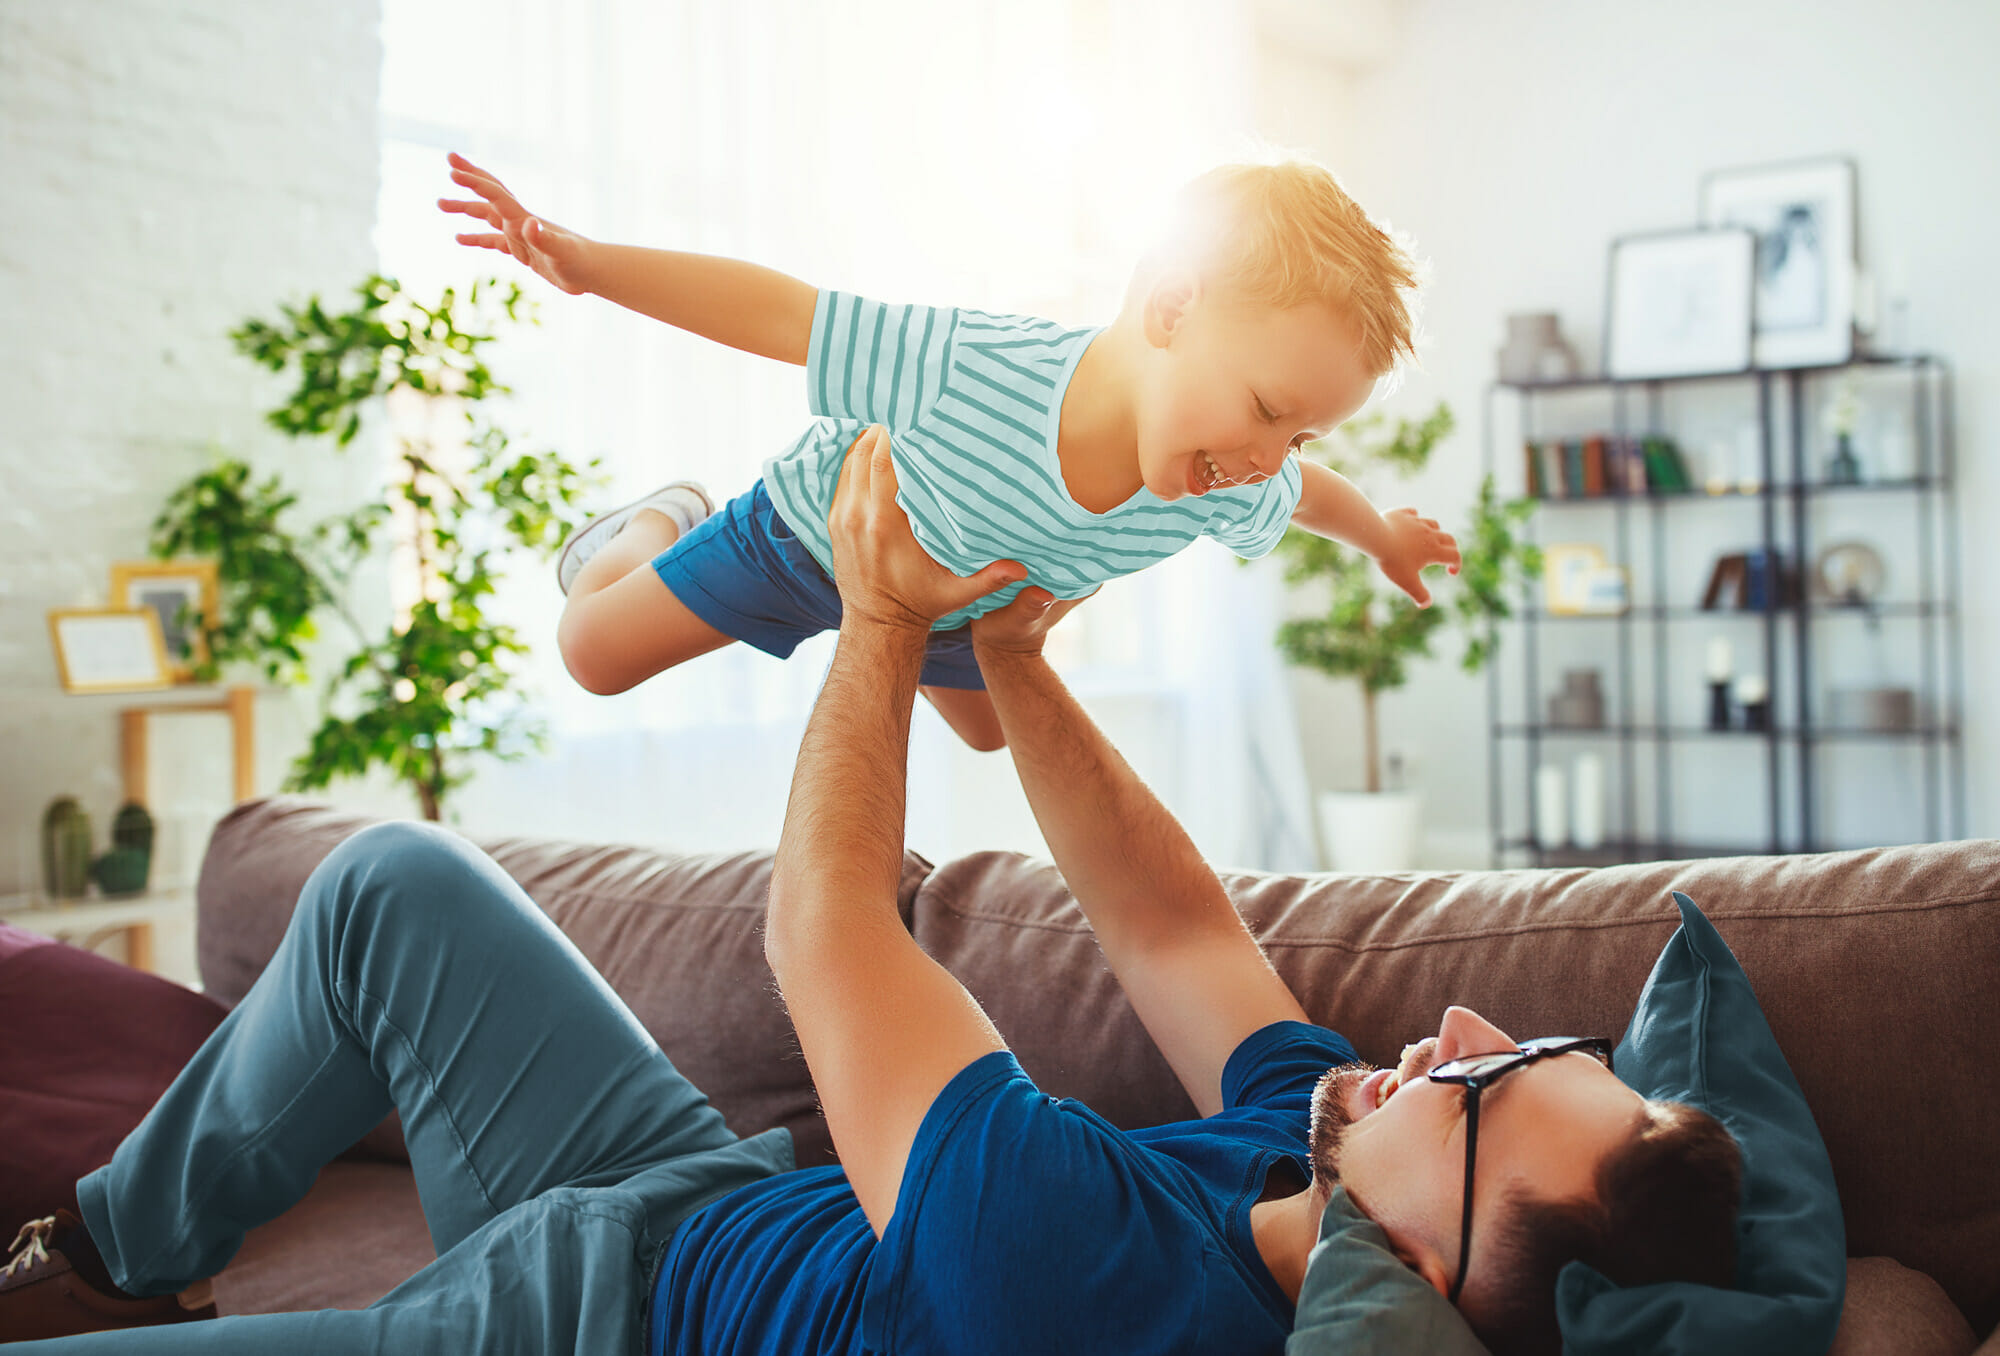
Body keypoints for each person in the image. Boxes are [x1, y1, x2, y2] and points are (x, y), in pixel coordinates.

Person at [1, 435, 1739, 1356]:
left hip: (584, 1323)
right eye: (1529, 1030)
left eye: (1496, 1080)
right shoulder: (1322, 1141)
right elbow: (1173, 930)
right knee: (390, 876)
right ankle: (101, 1255)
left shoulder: (1116, 1300)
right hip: (677, 1185)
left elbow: (827, 938)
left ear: (1434, 1265)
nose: (1454, 1029)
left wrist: (880, 611)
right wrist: (1014, 662)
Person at [438, 151, 1463, 751]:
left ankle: (923, 630)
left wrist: (1379, 538)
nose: (1266, 453)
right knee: (591, 658)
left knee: (989, 732)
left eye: (1299, 431)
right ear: (1169, 307)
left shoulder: (1222, 484)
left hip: (955, 605)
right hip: (802, 539)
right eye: (1264, 407)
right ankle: (664, 518)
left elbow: (1303, 496)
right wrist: (588, 265)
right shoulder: (972, 364)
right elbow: (785, 314)